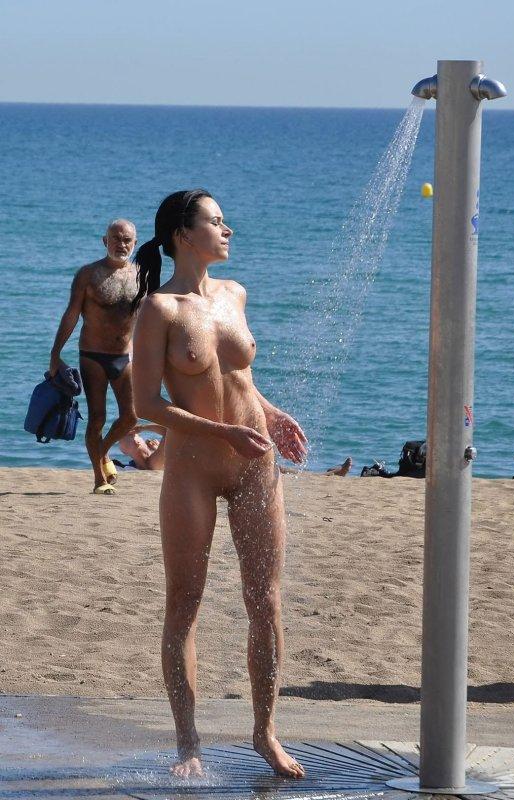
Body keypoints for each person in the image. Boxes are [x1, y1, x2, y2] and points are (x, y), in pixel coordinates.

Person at [132, 190, 308, 779]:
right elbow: (146, 403)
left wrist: (271, 414)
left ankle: (265, 731)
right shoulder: (159, 310)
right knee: (185, 601)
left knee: (266, 598)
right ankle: (188, 743)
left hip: (255, 460)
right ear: (183, 234)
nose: (227, 229)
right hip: (194, 468)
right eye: (215, 221)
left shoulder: (235, 294)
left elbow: (240, 378)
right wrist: (222, 431)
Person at [49, 220, 138, 494]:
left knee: (131, 417)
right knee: (97, 417)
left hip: (125, 356)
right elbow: (71, 314)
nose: (121, 244)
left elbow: (152, 316)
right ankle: (100, 480)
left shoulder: (141, 274)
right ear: (105, 241)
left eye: (127, 240)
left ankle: (103, 451)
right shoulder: (88, 274)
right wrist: (55, 354)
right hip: (93, 356)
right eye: (116, 238)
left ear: (134, 243)